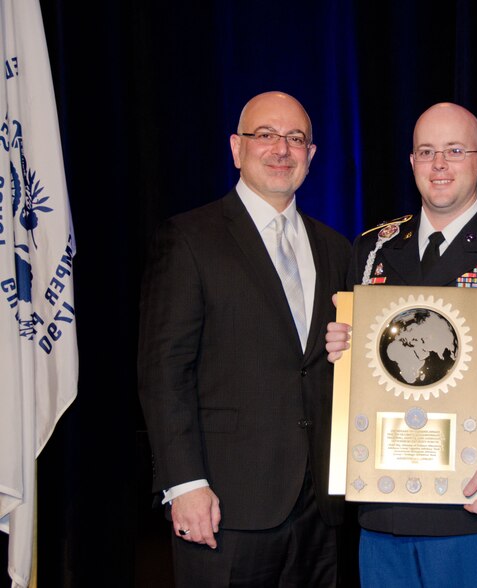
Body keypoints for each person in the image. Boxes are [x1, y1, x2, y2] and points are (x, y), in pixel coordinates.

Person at [325, 102, 477, 587]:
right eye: (426, 151)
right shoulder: (373, 248)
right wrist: (344, 350)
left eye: (454, 151)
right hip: (384, 508)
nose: (439, 165)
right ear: (411, 162)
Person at [138, 91, 352, 586]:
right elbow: (164, 372)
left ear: (311, 155)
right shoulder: (189, 238)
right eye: (265, 135)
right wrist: (184, 484)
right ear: (237, 148)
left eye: (295, 138)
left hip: (319, 509)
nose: (281, 148)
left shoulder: (336, 248)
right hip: (223, 506)